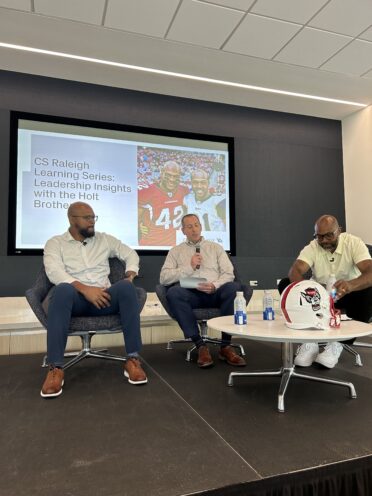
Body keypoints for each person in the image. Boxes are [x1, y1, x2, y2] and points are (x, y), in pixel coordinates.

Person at [41, 201, 147, 398]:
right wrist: (85, 289)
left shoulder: (104, 240)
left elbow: (130, 253)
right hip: (76, 301)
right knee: (62, 289)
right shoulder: (55, 243)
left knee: (125, 287)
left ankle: (132, 359)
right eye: (87, 218)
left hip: (104, 298)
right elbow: (54, 271)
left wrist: (130, 274)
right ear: (72, 220)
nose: (92, 222)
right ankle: (55, 368)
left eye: (93, 217)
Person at [282, 214, 372, 369]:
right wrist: (307, 289)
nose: (324, 241)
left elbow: (370, 271)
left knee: (369, 290)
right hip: (320, 295)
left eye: (329, 235)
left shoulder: (353, 243)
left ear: (339, 231)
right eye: (319, 237)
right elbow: (295, 270)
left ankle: (338, 343)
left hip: (348, 292)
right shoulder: (312, 247)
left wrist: (350, 285)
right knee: (286, 285)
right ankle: (310, 341)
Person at [159, 213, 247, 368]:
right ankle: (200, 345)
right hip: (192, 294)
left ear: (201, 226)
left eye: (196, 225)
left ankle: (225, 346)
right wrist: (189, 267)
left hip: (215, 291)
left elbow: (229, 274)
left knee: (234, 288)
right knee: (174, 292)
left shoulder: (216, 248)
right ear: (183, 230)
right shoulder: (176, 251)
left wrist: (215, 285)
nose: (194, 229)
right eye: (189, 226)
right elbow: (164, 278)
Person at [138, 160, 189, 246]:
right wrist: (139, 226)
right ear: (161, 173)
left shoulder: (184, 190)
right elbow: (132, 215)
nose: (172, 179)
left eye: (175, 176)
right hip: (152, 247)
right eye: (168, 175)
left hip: (176, 246)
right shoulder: (147, 192)